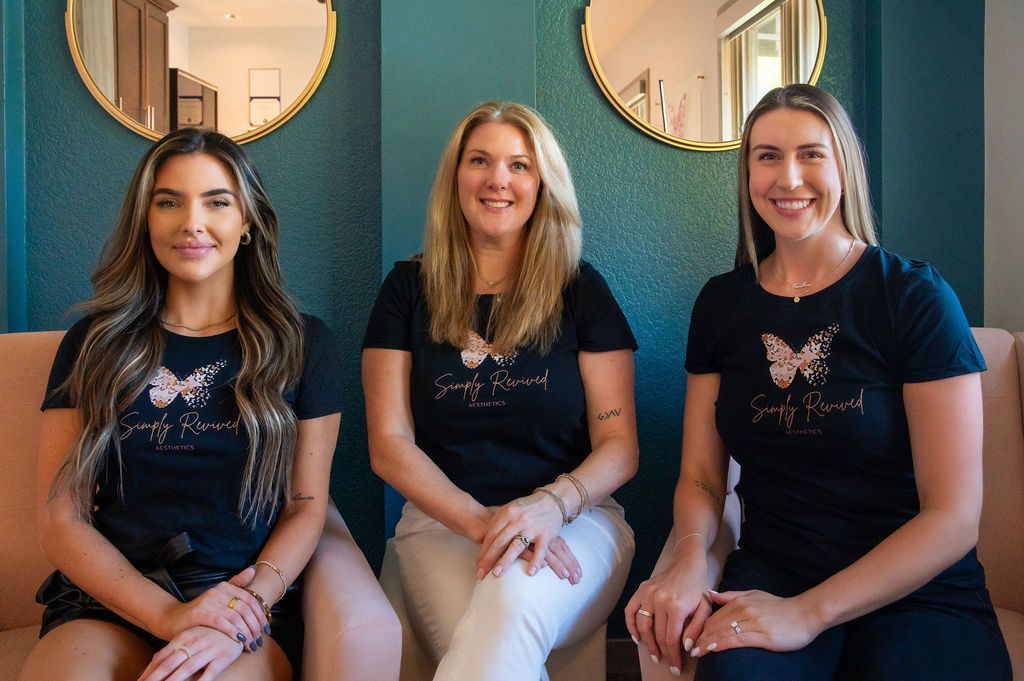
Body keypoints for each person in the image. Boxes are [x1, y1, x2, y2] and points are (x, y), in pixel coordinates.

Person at [626, 84, 1012, 681]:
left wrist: (809, 614)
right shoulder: (722, 304)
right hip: (773, 575)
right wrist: (684, 556)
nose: (789, 177)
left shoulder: (913, 297)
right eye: (767, 156)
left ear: (843, 166)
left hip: (917, 590)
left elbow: (953, 517)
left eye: (811, 153)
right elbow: (702, 477)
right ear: (748, 173)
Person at [18, 128, 343, 681]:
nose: (191, 222)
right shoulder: (94, 342)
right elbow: (62, 519)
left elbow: (305, 506)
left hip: (238, 602)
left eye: (217, 202)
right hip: (109, 598)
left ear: (248, 224)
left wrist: (246, 608)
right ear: (146, 221)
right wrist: (168, 614)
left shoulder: (304, 344)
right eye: (169, 202)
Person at [363, 101, 637, 680]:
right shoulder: (406, 289)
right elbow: (389, 445)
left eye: (519, 165)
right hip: (443, 524)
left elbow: (619, 446)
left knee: (508, 603)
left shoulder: (581, 290)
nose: (498, 180)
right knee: (498, 632)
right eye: (480, 161)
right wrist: (487, 523)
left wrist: (548, 506)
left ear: (543, 184)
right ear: (455, 177)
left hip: (578, 520)